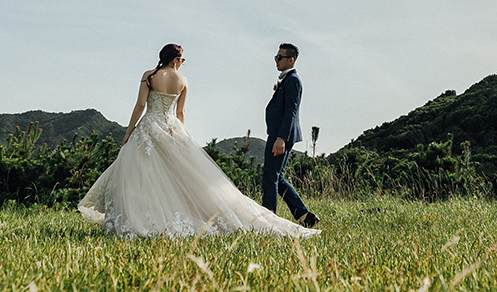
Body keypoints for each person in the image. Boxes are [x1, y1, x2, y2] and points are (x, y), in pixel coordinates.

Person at [78, 43, 318, 239]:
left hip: (149, 127)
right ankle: (290, 215)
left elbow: (141, 105)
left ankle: (139, 217)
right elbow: (180, 113)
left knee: (142, 176)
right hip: (172, 128)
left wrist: (129, 132)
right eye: (182, 60)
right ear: (176, 60)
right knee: (182, 177)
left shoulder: (148, 76)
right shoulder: (183, 81)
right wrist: (179, 135)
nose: (182, 63)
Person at [263, 43, 319, 227]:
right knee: (277, 178)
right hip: (279, 134)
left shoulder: (293, 80)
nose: (276, 61)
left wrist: (281, 138)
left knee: (270, 177)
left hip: (281, 136)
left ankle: (269, 218)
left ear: (291, 59)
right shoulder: (287, 80)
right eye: (276, 57)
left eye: (279, 57)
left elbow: (291, 112)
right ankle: (305, 216)